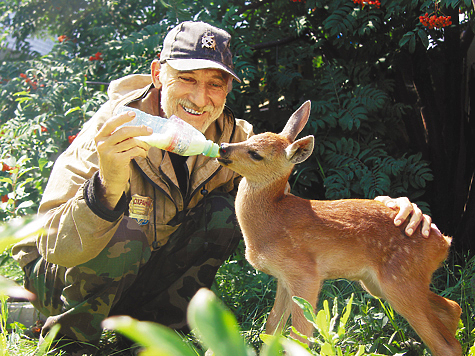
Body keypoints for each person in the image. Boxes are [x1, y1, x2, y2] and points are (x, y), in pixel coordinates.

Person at [12, 21, 433, 354]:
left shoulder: (233, 142)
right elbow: (54, 247)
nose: (201, 96)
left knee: (220, 214)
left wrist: (385, 212)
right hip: (61, 273)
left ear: (229, 87)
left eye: (216, 83)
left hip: (142, 271)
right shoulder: (111, 132)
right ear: (159, 74)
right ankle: (67, 336)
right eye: (187, 78)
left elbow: (276, 179)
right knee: (132, 218)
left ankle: (156, 331)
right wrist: (106, 186)